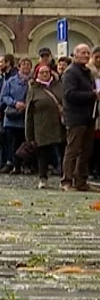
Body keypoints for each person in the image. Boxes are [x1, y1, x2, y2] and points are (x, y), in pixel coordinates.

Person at [61, 43, 97, 191]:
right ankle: (66, 181)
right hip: (75, 116)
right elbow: (70, 94)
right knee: (73, 150)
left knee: (86, 150)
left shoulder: (87, 72)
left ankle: (81, 181)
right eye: (83, 53)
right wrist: (93, 94)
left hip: (89, 116)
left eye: (88, 53)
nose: (86, 55)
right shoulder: (71, 73)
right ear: (75, 55)